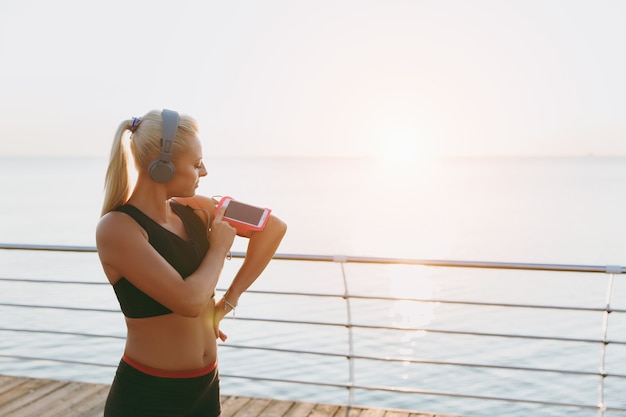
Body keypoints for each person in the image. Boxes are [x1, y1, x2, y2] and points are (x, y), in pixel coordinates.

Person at [96, 109, 287, 417]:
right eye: (197, 164)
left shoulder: (196, 210)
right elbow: (187, 301)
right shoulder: (118, 228)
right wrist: (219, 248)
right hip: (149, 395)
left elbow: (274, 226)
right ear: (161, 164)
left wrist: (228, 301)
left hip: (205, 388)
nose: (205, 172)